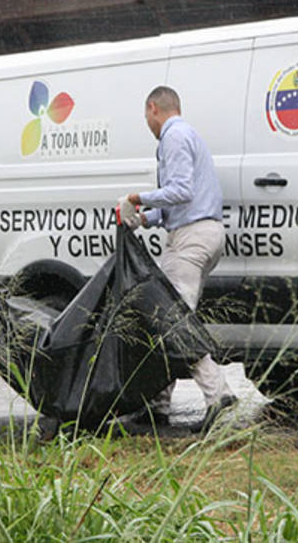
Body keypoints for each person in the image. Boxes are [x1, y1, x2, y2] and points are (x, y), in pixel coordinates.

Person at [117, 86, 236, 433]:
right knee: (165, 322)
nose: (148, 125)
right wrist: (145, 219)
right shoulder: (189, 135)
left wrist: (136, 198)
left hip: (190, 239)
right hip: (202, 233)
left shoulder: (173, 135)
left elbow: (181, 190)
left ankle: (220, 397)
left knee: (173, 322)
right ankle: (158, 406)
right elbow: (182, 202)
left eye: (146, 118)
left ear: (153, 108)